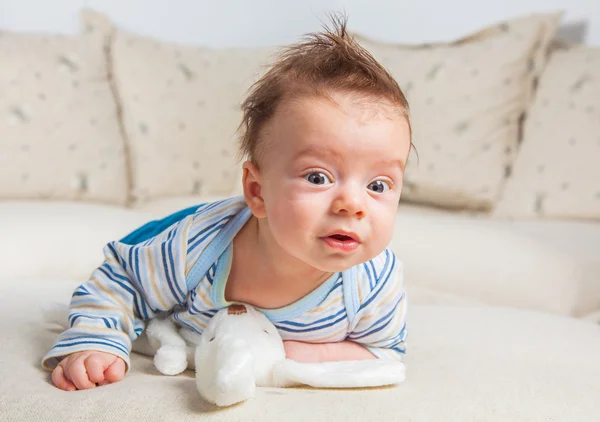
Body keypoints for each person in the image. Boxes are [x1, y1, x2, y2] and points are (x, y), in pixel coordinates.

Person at [44, 16, 413, 391]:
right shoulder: (196, 248)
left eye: (378, 184)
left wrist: (288, 353)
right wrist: (96, 342)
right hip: (185, 236)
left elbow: (385, 352)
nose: (353, 204)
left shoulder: (373, 281)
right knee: (138, 263)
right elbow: (119, 283)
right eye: (318, 177)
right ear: (257, 191)